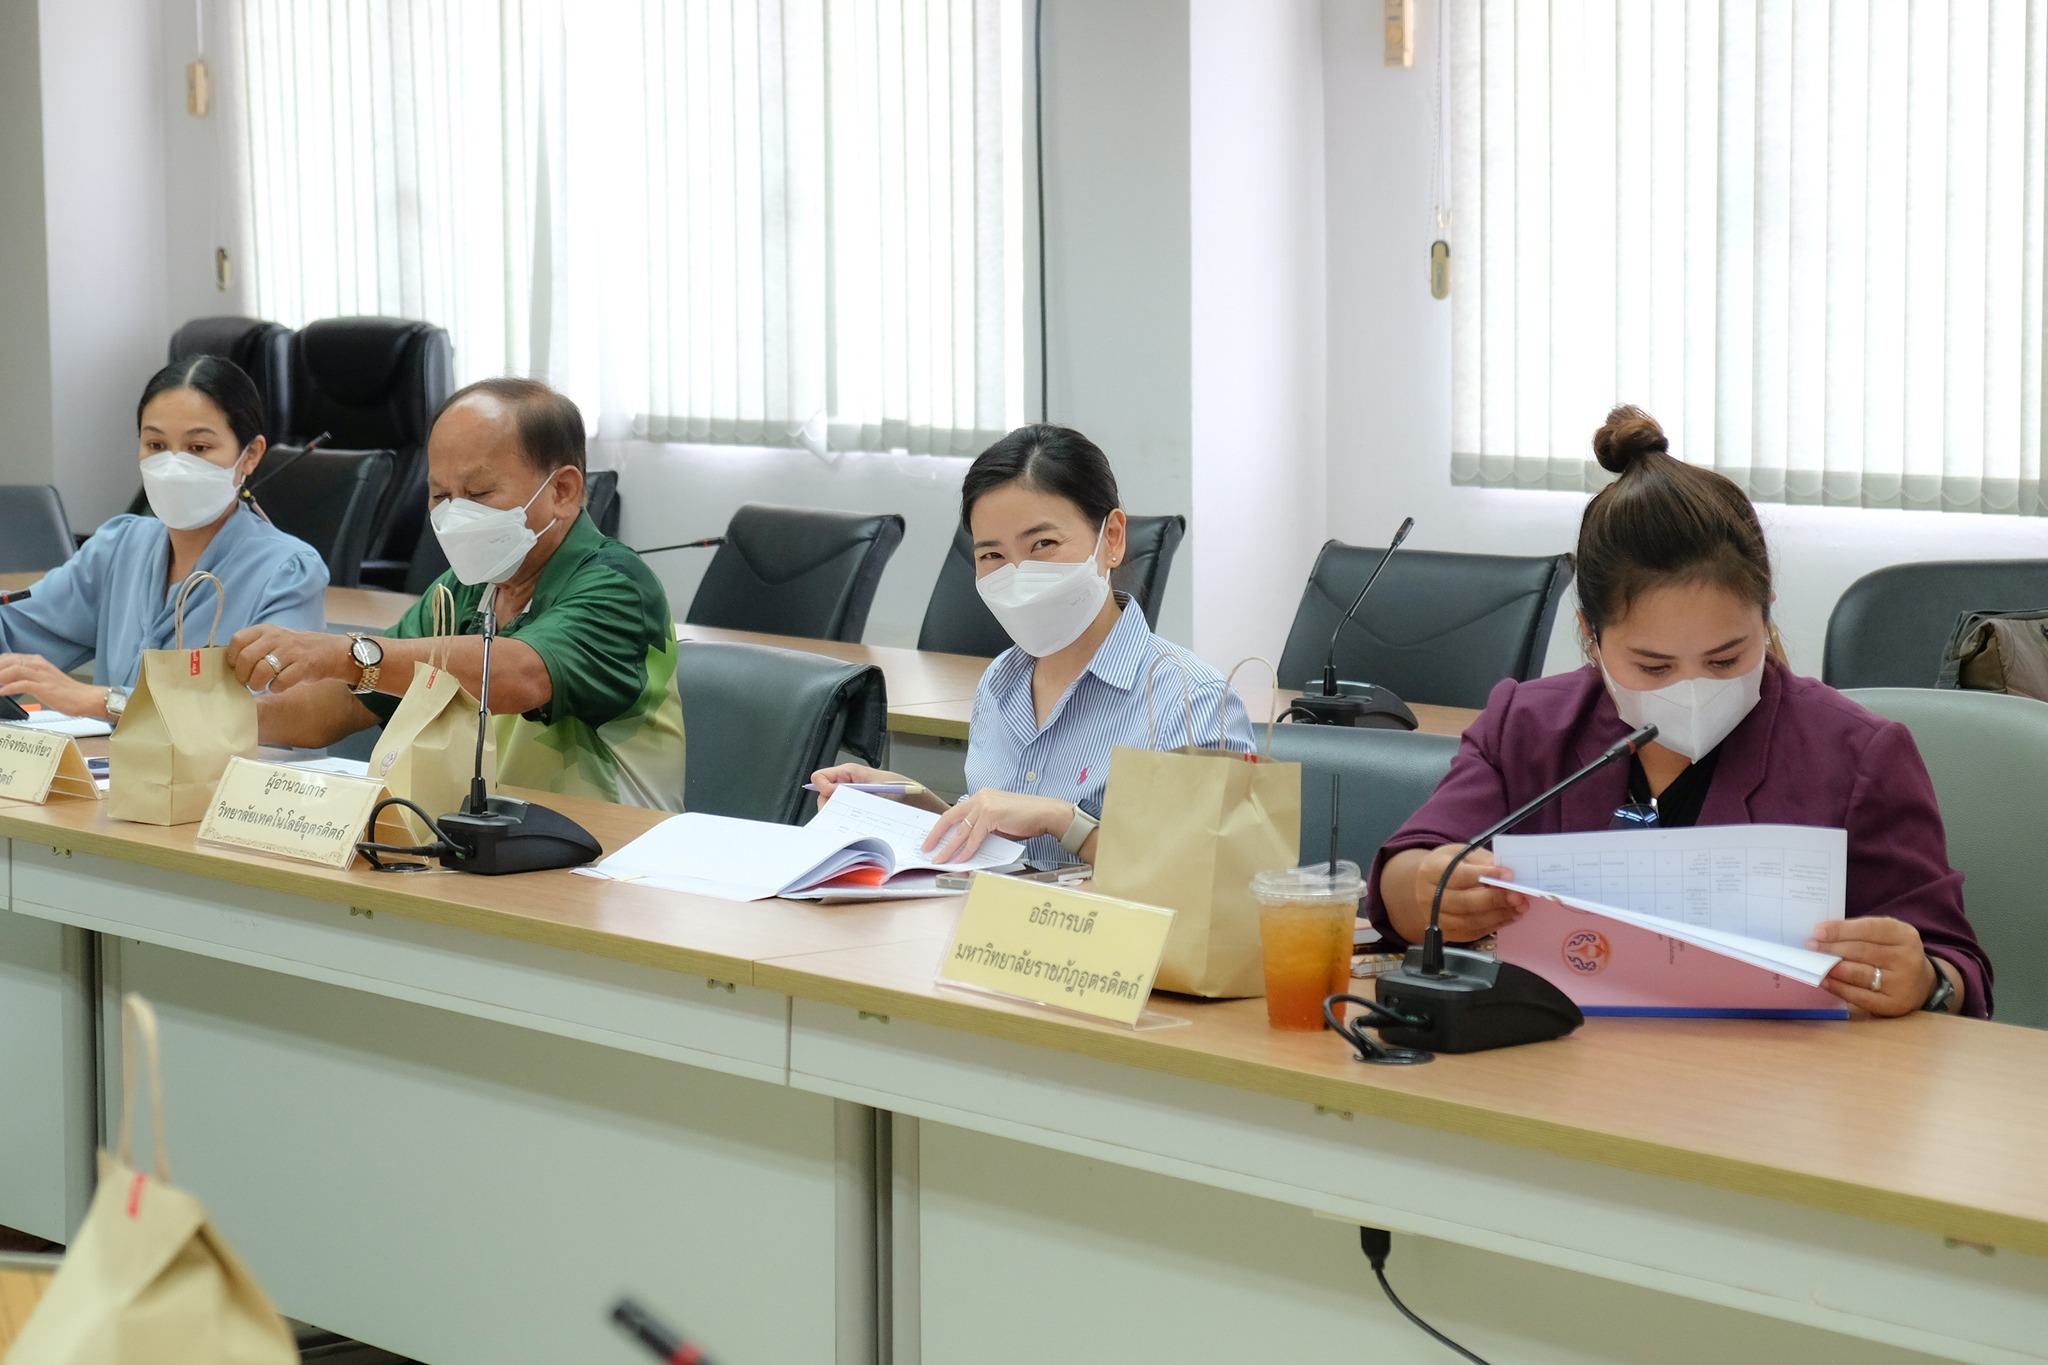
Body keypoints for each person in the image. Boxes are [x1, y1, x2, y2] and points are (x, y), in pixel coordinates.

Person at [1366, 406, 1991, 1018]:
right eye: (1654, 668)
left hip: (1778, 1091)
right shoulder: (1526, 726)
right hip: (1558, 1068)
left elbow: (1954, 964)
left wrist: (1925, 980)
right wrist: (1424, 887)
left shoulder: (1857, 755)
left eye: (1726, 660)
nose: (1694, 688)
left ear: (1765, 612)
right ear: (1590, 634)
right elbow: (1405, 877)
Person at [226, 377, 686, 810]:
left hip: (612, 864)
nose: (452, 516)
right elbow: (355, 699)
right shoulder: (467, 587)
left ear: (563, 491)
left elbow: (517, 674)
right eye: (439, 496)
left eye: (478, 492)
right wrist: (221, 721)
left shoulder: (618, 586)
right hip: (496, 849)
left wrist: (346, 652)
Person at [812, 424, 1254, 866]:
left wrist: (1062, 820)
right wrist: (912, 802)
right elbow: (1008, 843)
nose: (1018, 574)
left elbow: (1203, 872)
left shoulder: (1192, 701)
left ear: (1113, 538)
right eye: (992, 556)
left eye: (1043, 544)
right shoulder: (1001, 682)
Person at [0, 357, 326, 720]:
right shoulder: (119, 547)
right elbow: (14, 630)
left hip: (225, 775)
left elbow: (273, 714)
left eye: (198, 448)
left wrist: (103, 701)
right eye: (155, 446)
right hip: (114, 771)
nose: (173, 466)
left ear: (250, 455)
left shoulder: (287, 571)